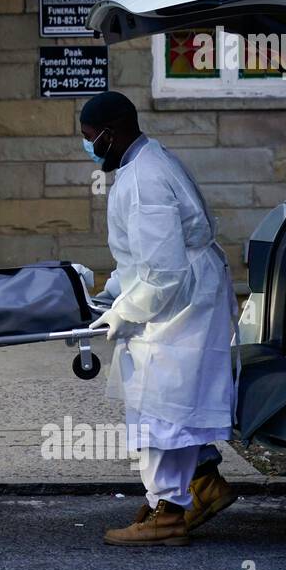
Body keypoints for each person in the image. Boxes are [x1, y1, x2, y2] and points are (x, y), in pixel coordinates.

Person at [81, 91, 238, 546]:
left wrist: (122, 314)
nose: (90, 148)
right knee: (175, 403)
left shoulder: (145, 179)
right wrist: (110, 296)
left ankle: (166, 513)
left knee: (159, 405)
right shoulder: (144, 164)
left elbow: (163, 272)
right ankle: (204, 484)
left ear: (112, 133)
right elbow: (143, 259)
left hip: (179, 303)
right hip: (184, 296)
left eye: (91, 139)